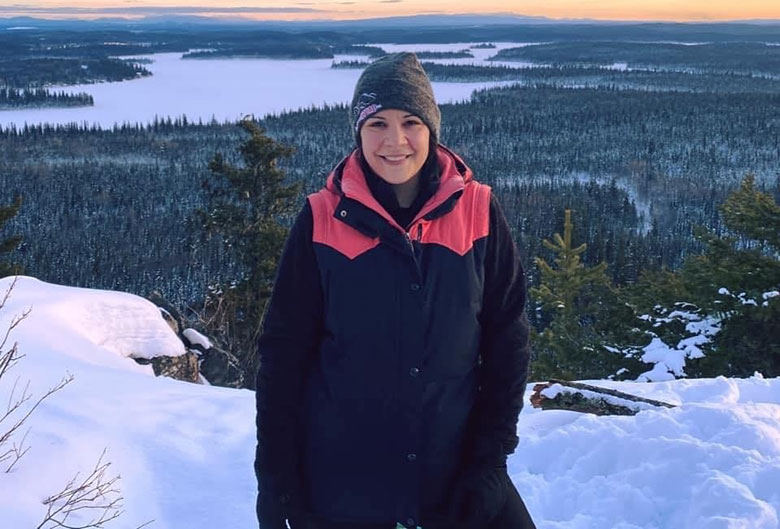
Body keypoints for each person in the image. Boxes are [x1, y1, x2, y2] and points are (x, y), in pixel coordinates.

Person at [255, 52, 535, 529]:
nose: (395, 141)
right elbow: (284, 352)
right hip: (343, 482)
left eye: (410, 122)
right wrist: (276, 474)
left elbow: (507, 341)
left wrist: (491, 460)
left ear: (431, 129)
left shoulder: (478, 212)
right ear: (358, 133)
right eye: (377, 124)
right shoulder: (322, 218)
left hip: (455, 475)